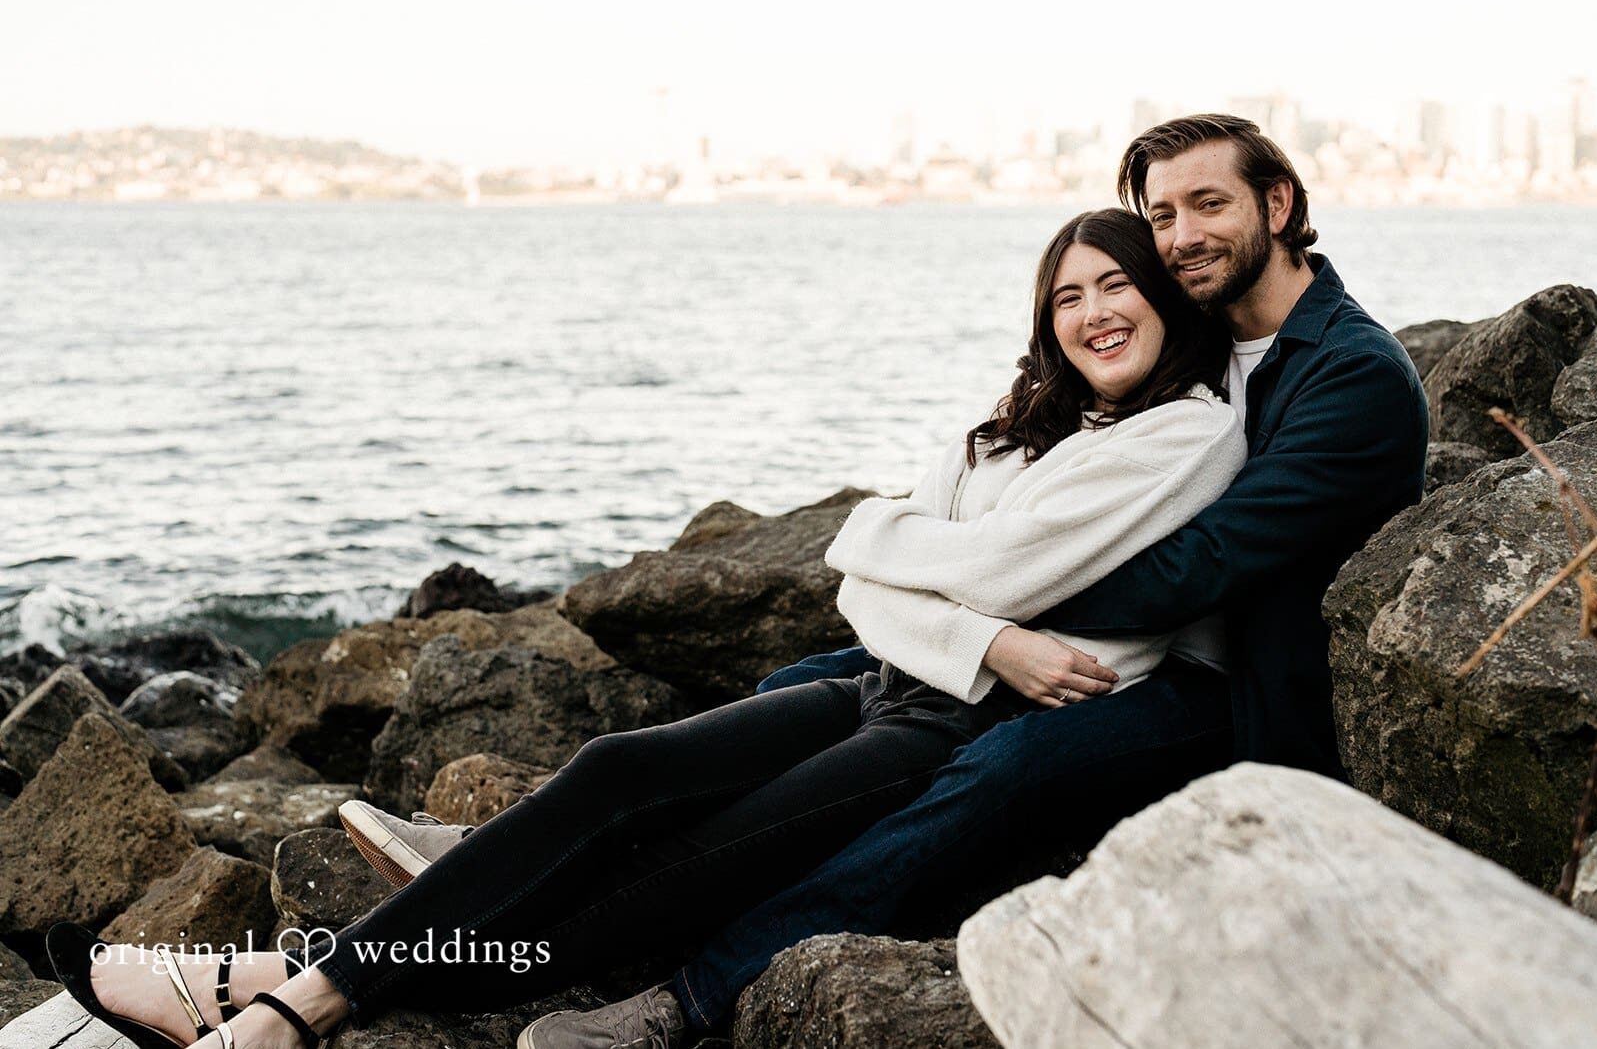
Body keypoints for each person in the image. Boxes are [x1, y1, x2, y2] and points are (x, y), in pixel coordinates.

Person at [48, 206, 1246, 1049]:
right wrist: (973, 623)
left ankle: (285, 1001)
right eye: (1067, 293)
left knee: (664, 879)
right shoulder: (1015, 424)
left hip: (955, 726)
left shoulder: (1186, 435)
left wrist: (925, 580)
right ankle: (297, 975)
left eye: (1116, 285)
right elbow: (861, 568)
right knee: (618, 769)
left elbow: (982, 559)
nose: (1092, 312)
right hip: (898, 675)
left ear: (1165, 298)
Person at [532, 113, 1430, 1045]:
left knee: (997, 768)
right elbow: (1031, 487)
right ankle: (535, 864)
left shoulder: (1347, 373)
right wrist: (975, 614)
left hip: (1223, 683)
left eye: (1209, 205)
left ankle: (692, 995)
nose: (1182, 236)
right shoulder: (1187, 330)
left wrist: (978, 602)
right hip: (1103, 638)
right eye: (1161, 216)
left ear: (1278, 204)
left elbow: (1194, 570)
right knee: (812, 683)